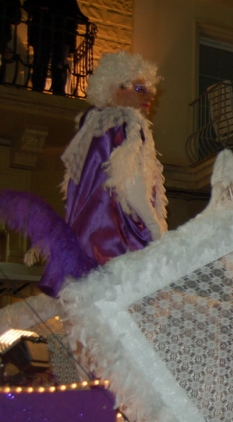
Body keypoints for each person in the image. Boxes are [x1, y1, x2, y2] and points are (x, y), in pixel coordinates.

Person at [60, 51, 166, 265]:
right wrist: (155, 228)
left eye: (149, 91)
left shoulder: (91, 125)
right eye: (139, 89)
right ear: (116, 88)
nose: (148, 97)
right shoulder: (125, 119)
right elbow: (129, 178)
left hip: (85, 240)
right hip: (118, 240)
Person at [25, 0, 88, 94]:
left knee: (57, 63)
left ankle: (56, 89)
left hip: (60, 36)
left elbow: (78, 15)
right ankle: (40, 87)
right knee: (43, 60)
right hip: (45, 33)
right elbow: (29, 5)